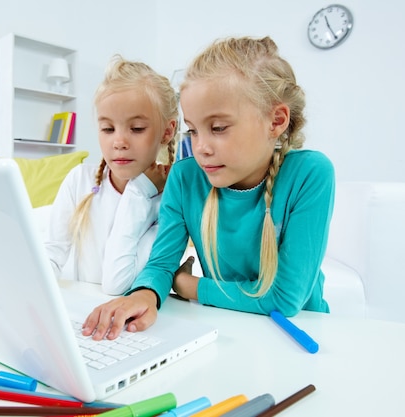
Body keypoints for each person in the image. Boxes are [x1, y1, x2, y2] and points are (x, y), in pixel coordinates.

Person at [82, 36, 335, 340]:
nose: (200, 147)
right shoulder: (185, 177)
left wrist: (189, 286)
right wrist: (144, 295)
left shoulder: (310, 174)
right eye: (193, 130)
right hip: (226, 329)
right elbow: (161, 264)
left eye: (218, 128)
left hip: (300, 334)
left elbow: (284, 299)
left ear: (276, 120)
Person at [45, 55, 178, 295]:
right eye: (107, 128)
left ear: (167, 132)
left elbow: (116, 283)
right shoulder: (79, 180)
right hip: (80, 315)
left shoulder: (169, 201)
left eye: (136, 128)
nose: (118, 142)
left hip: (123, 320)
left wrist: (138, 191)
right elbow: (51, 255)